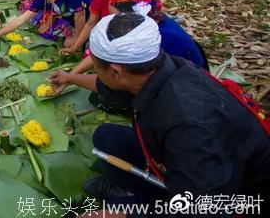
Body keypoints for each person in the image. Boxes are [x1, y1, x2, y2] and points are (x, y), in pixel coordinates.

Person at [73, 13, 270, 217]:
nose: (94, 70)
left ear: (115, 72)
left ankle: (138, 206)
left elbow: (206, 209)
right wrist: (69, 78)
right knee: (108, 138)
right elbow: (108, 86)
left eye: (95, 65)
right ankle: (138, 197)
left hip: (236, 197)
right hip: (188, 163)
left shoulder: (188, 127)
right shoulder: (158, 68)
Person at [52, 0, 208, 98]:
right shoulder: (144, 24)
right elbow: (107, 52)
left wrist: (73, 77)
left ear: (128, 16)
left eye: (114, 13)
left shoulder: (161, 39)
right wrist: (70, 76)